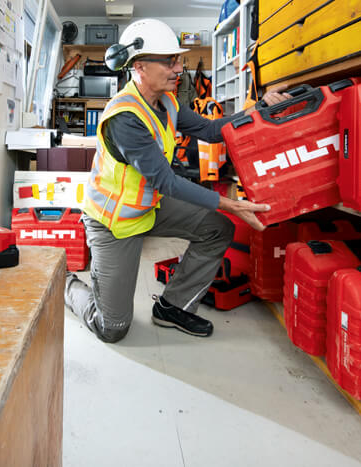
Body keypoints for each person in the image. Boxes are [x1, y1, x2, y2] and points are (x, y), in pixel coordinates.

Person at [65, 18, 290, 342]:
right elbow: (167, 182)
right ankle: (67, 284)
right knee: (111, 329)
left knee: (217, 228)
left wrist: (258, 110)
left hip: (147, 206)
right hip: (113, 222)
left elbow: (212, 131)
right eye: (170, 61)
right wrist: (232, 204)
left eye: (179, 59)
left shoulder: (168, 102)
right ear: (140, 66)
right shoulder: (125, 118)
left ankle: (171, 307)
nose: (179, 68)